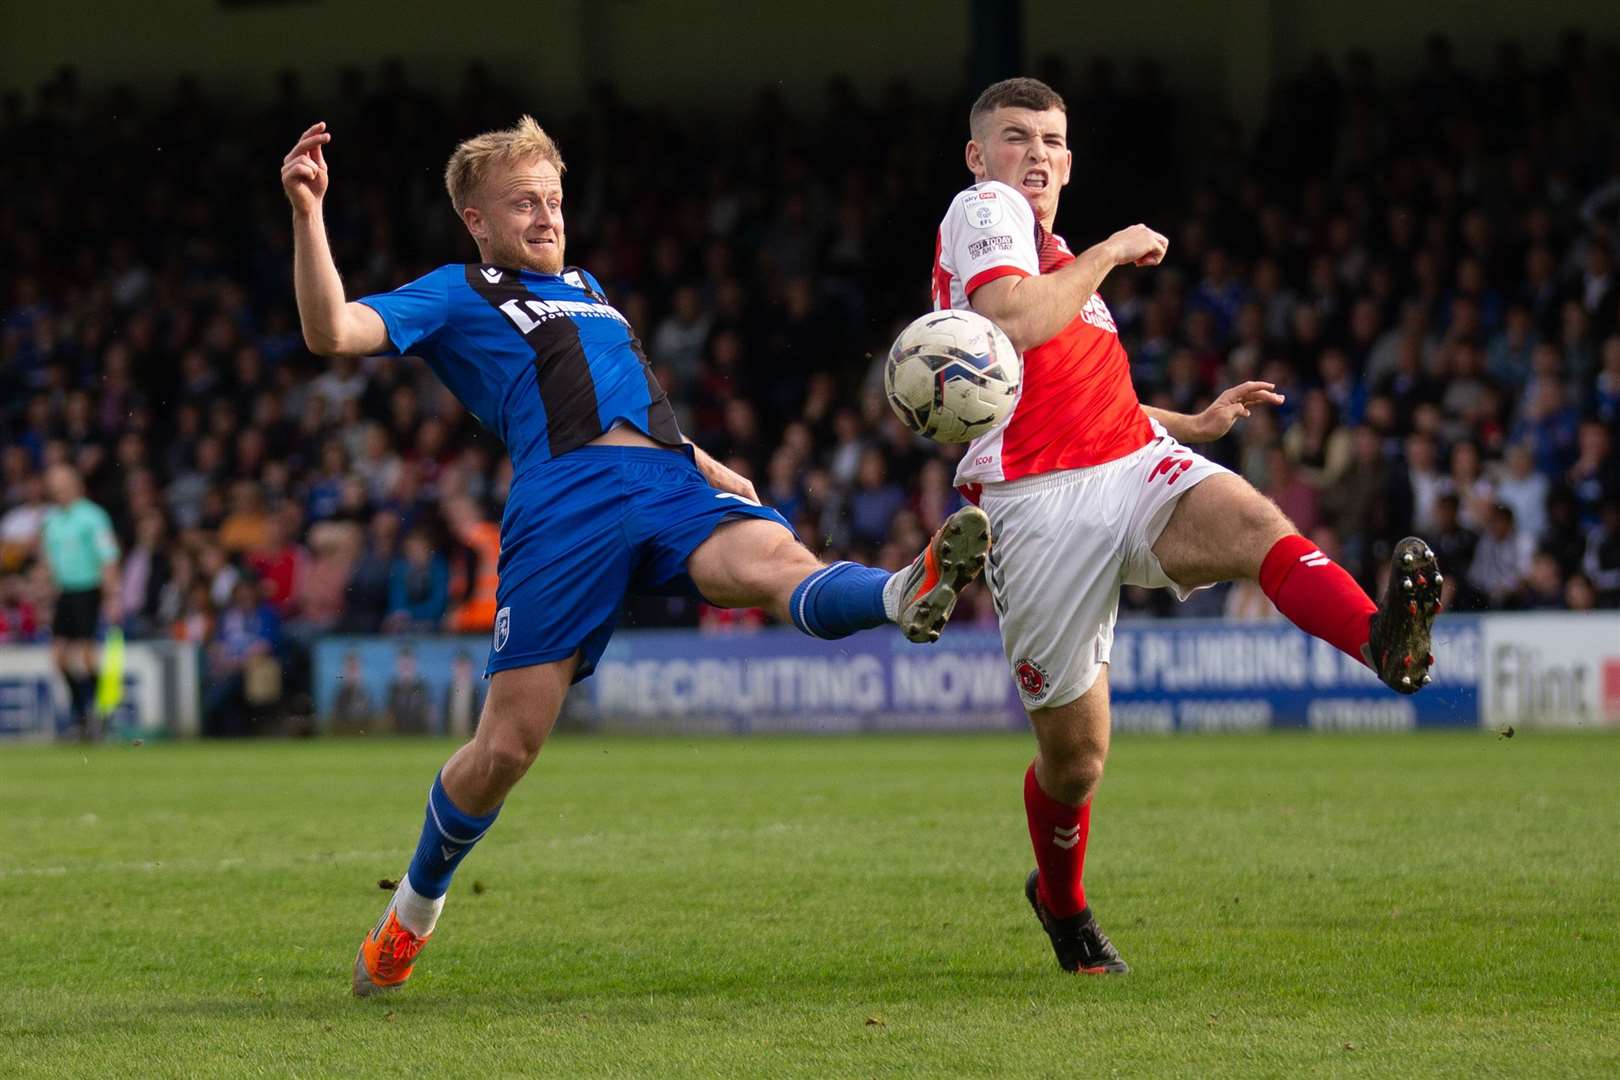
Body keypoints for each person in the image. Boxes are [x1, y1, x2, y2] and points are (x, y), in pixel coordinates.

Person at [281, 116, 991, 996]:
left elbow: (627, 396)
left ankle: (902, 591)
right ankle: (413, 914)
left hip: (666, 483)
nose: (546, 217)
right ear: (477, 219)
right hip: (565, 504)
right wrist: (310, 214)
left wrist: (706, 462)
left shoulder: (590, 287)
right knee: (504, 748)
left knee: (779, 564)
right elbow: (332, 332)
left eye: (554, 200)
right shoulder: (458, 291)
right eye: (523, 204)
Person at [932, 78, 1443, 974]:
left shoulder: (1050, 255)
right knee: (1078, 762)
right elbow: (1011, 318)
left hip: (1129, 462)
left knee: (1254, 522)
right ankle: (1062, 903)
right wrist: (1110, 251)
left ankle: (1382, 639)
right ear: (980, 156)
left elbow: (1080, 388)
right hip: (1032, 505)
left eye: (1052, 141)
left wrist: (1189, 424)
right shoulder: (984, 214)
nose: (1038, 156)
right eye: (1016, 139)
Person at [39, 464, 121, 739]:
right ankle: (81, 714)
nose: (56, 490)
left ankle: (102, 712)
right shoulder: (51, 520)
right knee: (59, 658)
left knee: (86, 656)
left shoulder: (93, 517)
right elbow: (49, 561)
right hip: (66, 592)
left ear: (75, 484)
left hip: (88, 589)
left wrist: (111, 596)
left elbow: (107, 557)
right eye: (53, 484)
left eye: (61, 483)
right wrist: (47, 596)